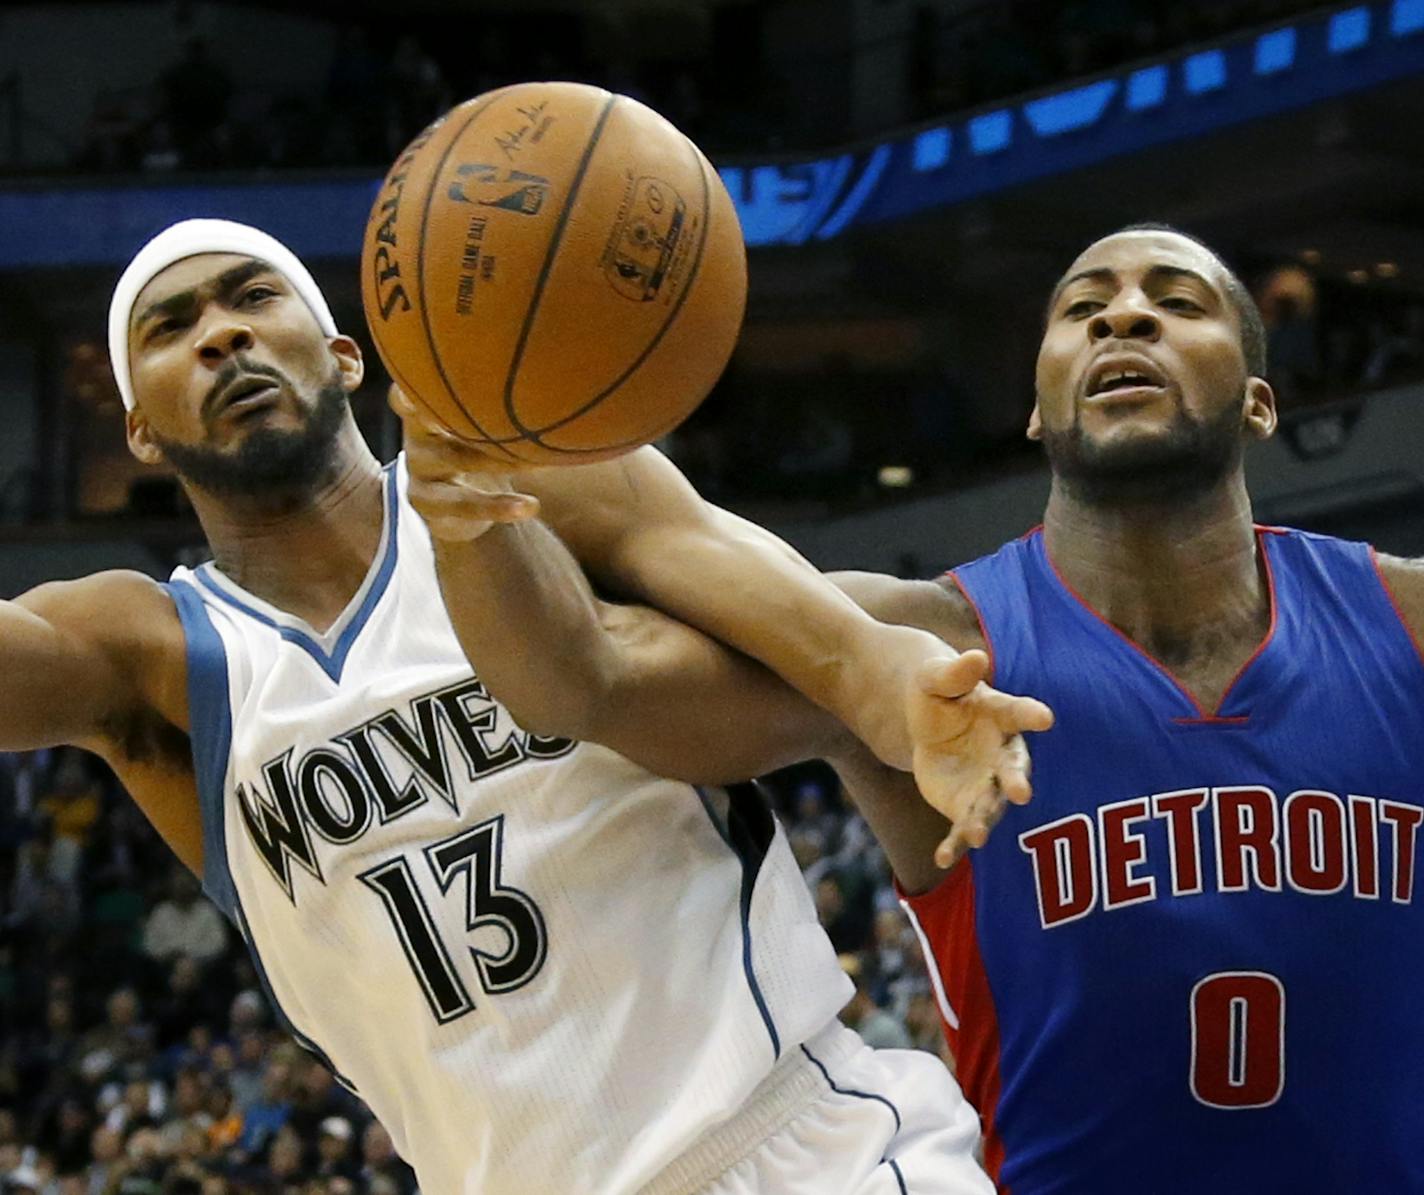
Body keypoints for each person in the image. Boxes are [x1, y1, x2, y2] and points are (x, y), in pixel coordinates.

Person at [1, 218, 1051, 1193]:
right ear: (135, 424)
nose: (221, 334)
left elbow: (801, 618)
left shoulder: (534, 477)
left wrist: (888, 681)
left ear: (343, 353)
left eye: (250, 298)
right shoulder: (142, 654)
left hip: (798, 1151)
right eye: (171, 326)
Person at [814, 224, 1424, 1191]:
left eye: (1179, 302)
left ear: (1259, 403)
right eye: (1082, 306)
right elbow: (596, 677)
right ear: (1036, 410)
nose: (1125, 313)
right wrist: (501, 476)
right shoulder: (919, 642)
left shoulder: (1408, 622)